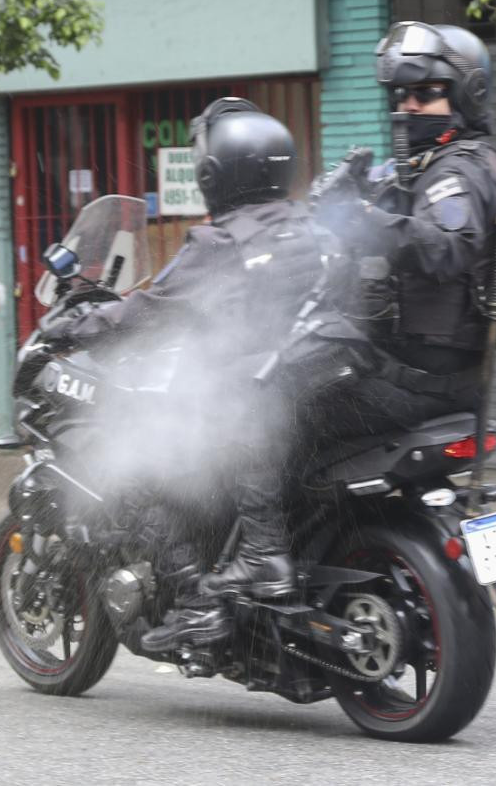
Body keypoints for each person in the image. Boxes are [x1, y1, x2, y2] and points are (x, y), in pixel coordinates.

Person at [41, 98, 331, 651]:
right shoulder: (305, 225)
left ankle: (198, 605)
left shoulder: (219, 242)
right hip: (303, 394)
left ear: (215, 175)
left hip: (245, 398)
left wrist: (78, 327)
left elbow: (149, 310)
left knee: (136, 469)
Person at [309, 21, 496, 455]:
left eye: (425, 93)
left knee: (277, 418)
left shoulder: (457, 171)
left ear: (465, 94)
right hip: (415, 374)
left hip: (420, 384)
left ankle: (263, 527)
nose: (409, 106)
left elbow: (445, 246)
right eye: (401, 95)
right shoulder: (429, 166)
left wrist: (361, 215)